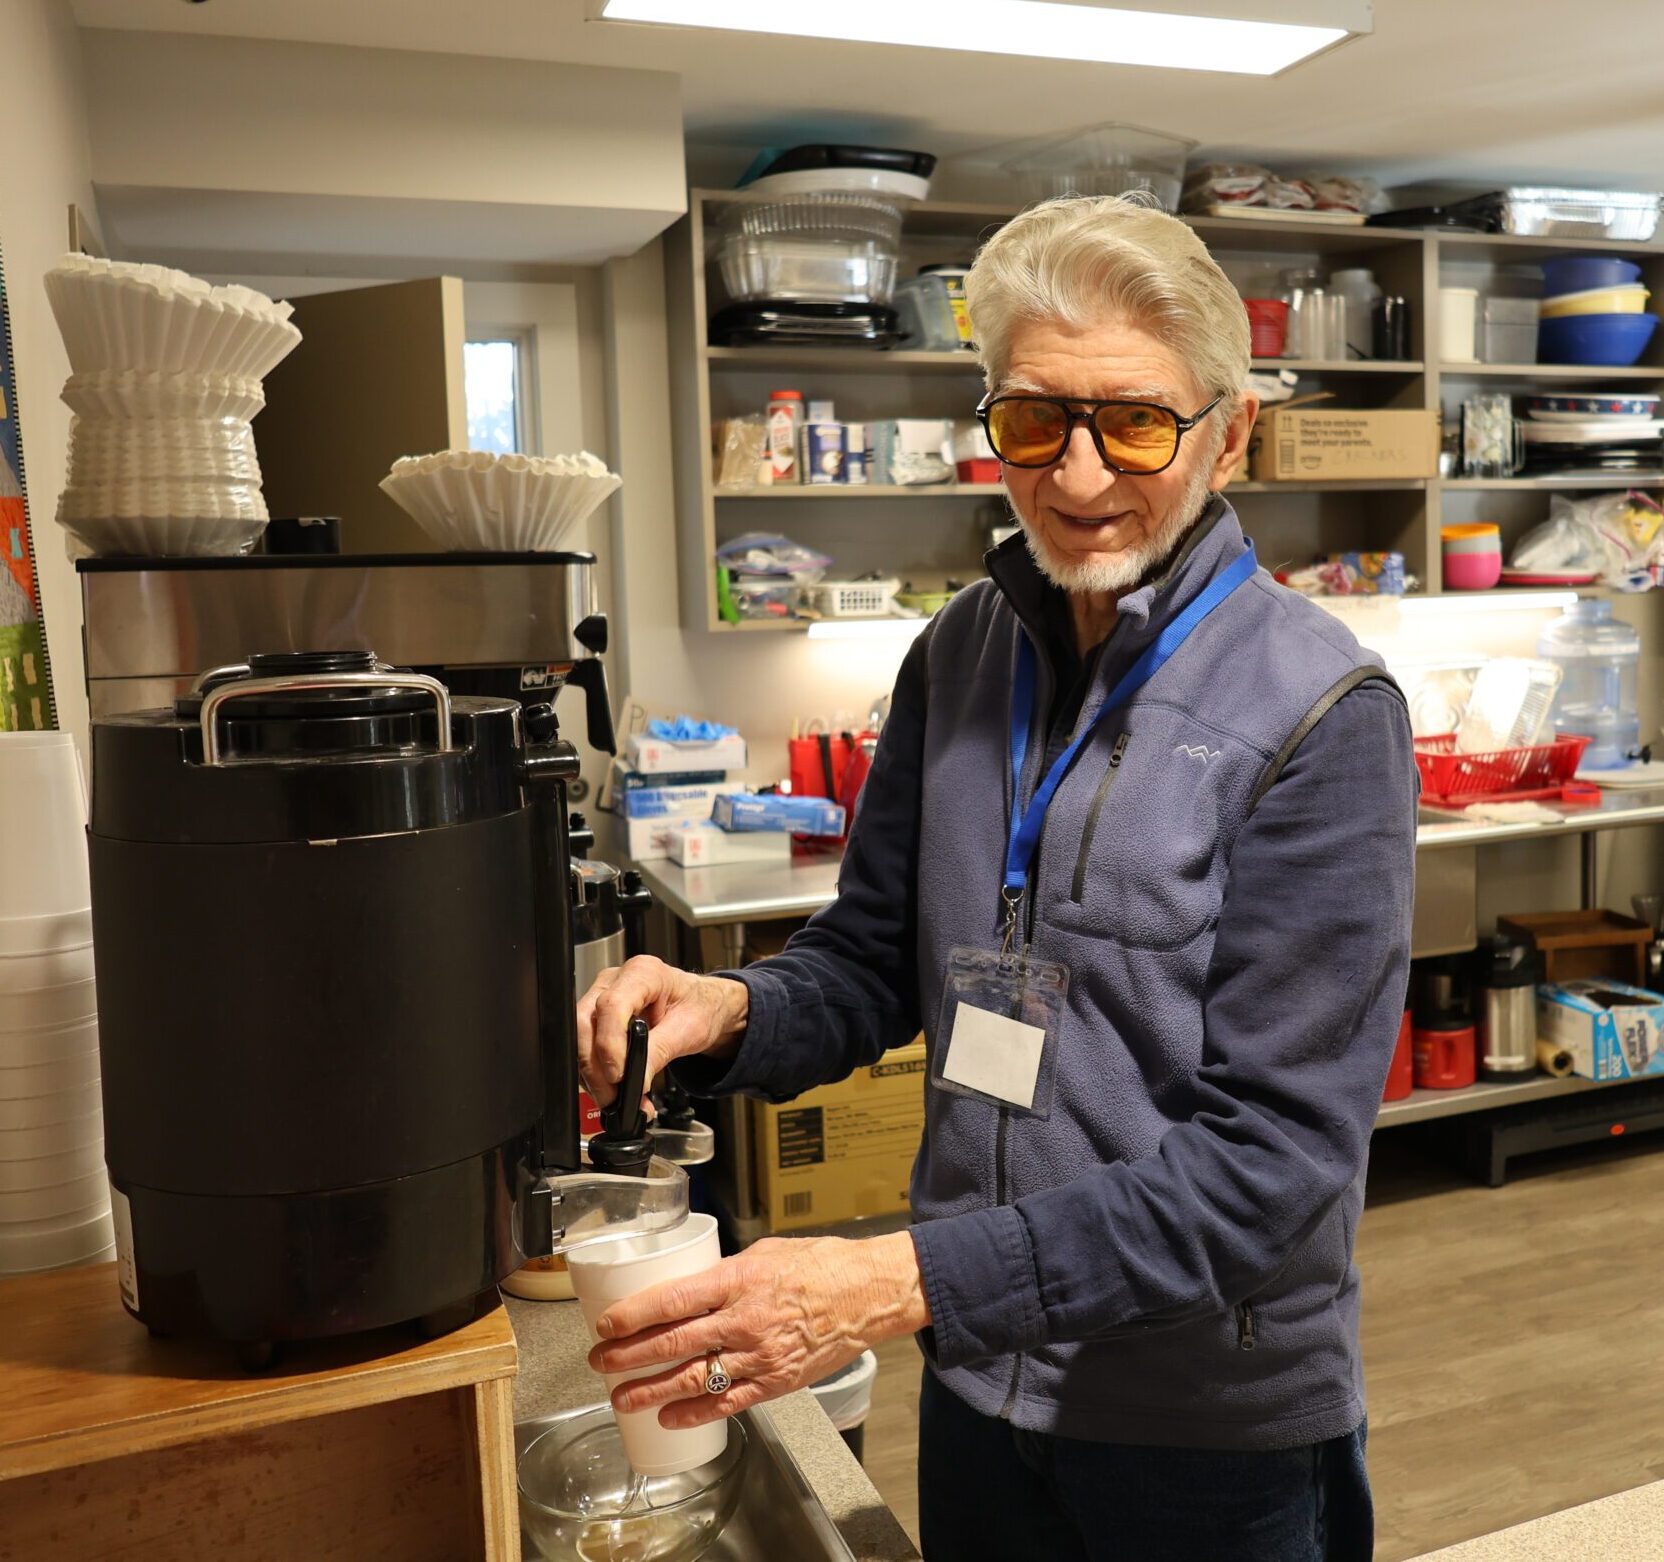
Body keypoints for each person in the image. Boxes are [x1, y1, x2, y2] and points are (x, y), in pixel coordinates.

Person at [577, 195, 1417, 1561]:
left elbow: (1274, 1169)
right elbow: (871, 956)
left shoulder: (1322, 710)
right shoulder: (958, 654)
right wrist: (726, 1011)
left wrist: (891, 1279)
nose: (1078, 478)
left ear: (1231, 431)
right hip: (977, 1381)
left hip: (1203, 1427)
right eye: (1034, 420)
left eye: (1134, 421)